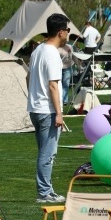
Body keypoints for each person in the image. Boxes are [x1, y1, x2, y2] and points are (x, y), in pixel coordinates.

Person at [27, 12, 69, 203]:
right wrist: (59, 113)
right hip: (47, 110)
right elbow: (53, 85)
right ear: (61, 32)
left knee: (44, 151)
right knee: (48, 153)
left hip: (36, 108)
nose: (68, 34)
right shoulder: (52, 54)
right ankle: (44, 193)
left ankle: (48, 189)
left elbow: (28, 77)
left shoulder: (37, 50)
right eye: (67, 30)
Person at [57, 41, 74, 106]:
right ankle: (60, 99)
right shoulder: (56, 47)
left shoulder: (69, 47)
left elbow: (73, 56)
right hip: (58, 68)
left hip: (68, 67)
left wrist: (78, 64)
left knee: (66, 84)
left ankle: (65, 100)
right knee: (59, 84)